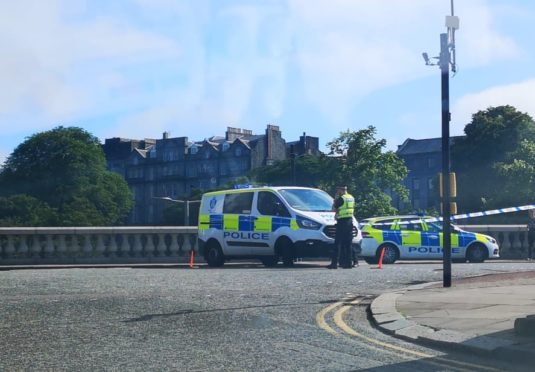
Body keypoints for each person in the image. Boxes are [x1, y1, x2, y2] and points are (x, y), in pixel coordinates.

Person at [327, 186, 355, 269]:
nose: (337, 191)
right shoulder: (351, 197)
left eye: (338, 190)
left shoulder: (341, 198)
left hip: (342, 222)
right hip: (350, 221)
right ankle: (348, 263)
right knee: (348, 244)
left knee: (337, 243)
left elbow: (333, 209)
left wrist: (335, 200)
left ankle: (334, 264)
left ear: (340, 190)